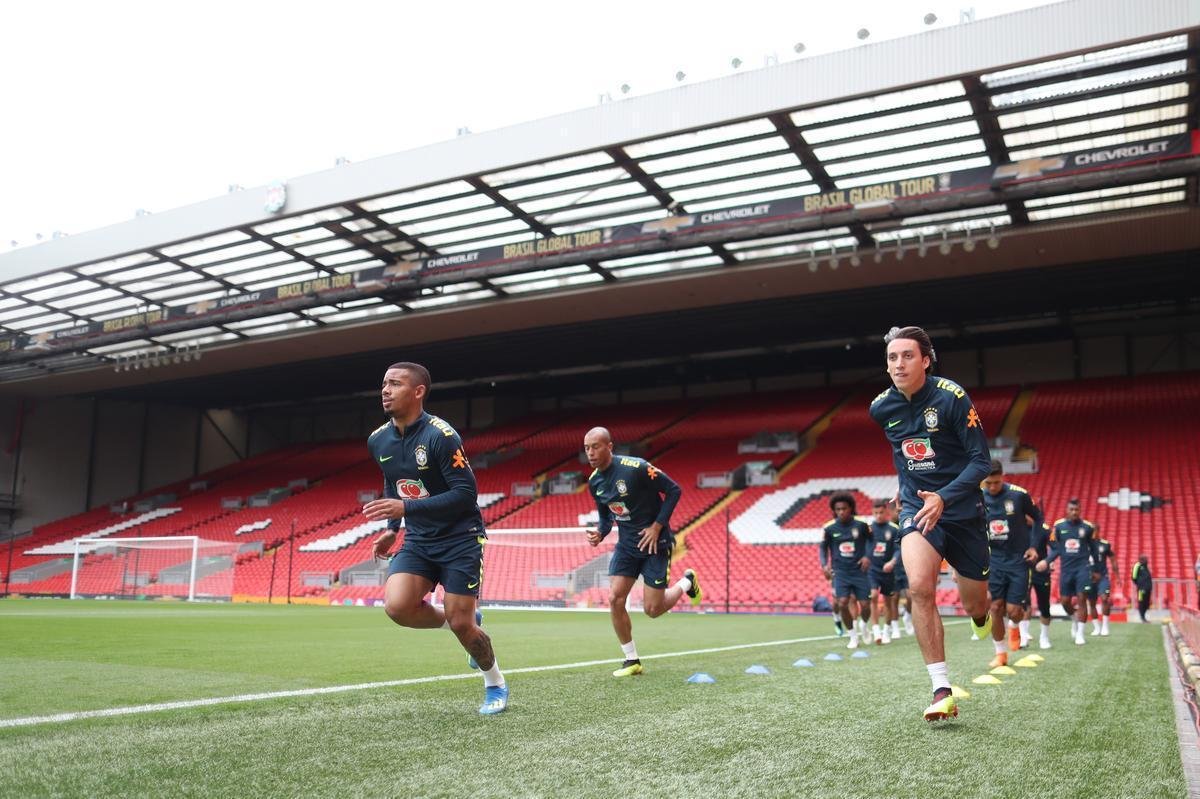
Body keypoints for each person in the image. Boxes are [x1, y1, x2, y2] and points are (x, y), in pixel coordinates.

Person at [366, 362, 507, 715]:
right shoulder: (378, 439)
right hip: (419, 540)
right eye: (384, 384)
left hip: (460, 538)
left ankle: (495, 684)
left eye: (395, 384)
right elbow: (393, 481)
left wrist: (405, 510)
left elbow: (465, 494)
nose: (385, 390)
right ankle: (465, 625)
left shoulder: (441, 436)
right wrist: (391, 530)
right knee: (397, 607)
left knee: (463, 623)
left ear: (418, 392)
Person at [870, 325, 992, 722]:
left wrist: (945, 496)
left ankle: (979, 616)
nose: (899, 363)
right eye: (892, 357)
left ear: (925, 360)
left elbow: (981, 462)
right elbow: (903, 454)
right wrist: (906, 488)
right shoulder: (881, 408)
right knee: (920, 587)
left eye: (907, 356)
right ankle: (942, 688)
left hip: (961, 509)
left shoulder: (952, 397)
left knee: (976, 603)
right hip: (917, 509)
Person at [584, 426, 700, 677]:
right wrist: (600, 533)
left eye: (595, 446)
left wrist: (657, 527)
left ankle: (686, 583)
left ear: (609, 447)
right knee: (615, 598)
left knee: (653, 610)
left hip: (654, 545)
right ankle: (631, 660)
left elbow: (674, 490)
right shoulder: (595, 482)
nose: (590, 453)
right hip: (627, 546)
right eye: (586, 448)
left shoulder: (635, 467)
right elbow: (606, 518)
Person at [981, 460, 1044, 668]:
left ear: (1003, 476)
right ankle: (1000, 653)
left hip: (1018, 559)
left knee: (1014, 610)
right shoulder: (977, 497)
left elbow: (1038, 517)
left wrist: (1034, 547)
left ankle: (1015, 626)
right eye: (989, 482)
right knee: (995, 606)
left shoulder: (1018, 495)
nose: (992, 487)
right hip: (995, 559)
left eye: (996, 482)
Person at [1036, 499, 1097, 646]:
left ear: (1080, 510)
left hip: (1083, 568)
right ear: (1066, 510)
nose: (1074, 512)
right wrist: (1048, 561)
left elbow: (1094, 549)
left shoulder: (1088, 527)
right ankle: (1074, 618)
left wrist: (1095, 569)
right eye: (1071, 509)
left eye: (1077, 510)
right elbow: (1054, 547)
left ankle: (1080, 635)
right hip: (1066, 569)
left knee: (1082, 598)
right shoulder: (1058, 526)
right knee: (1065, 601)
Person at [820, 493, 873, 649]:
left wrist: (867, 556)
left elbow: (872, 540)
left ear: (851, 508)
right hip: (840, 571)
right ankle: (853, 636)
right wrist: (824, 565)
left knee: (865, 604)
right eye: (838, 509)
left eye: (844, 508)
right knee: (842, 603)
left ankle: (864, 625)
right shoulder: (829, 528)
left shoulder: (862, 524)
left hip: (859, 571)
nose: (841, 512)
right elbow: (822, 548)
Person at [868, 498, 902, 643]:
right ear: (872, 512)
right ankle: (876, 631)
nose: (878, 515)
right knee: (873, 595)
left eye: (881, 512)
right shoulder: (868, 529)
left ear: (886, 512)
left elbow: (898, 549)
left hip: (888, 571)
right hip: (872, 570)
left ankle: (887, 630)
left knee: (889, 601)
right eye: (876, 513)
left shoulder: (893, 529)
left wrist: (892, 561)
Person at [1024, 513, 1054, 650]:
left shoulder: (1044, 529)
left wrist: (1047, 561)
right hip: (1022, 571)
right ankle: (1023, 636)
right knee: (1022, 603)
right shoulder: (1017, 527)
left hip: (1041, 571)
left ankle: (1044, 637)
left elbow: (1057, 547)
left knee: (1044, 605)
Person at [1088, 532, 1117, 636]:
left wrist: (1117, 575)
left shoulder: (1105, 544)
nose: (1093, 533)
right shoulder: (1084, 544)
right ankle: (1096, 627)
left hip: (1103, 577)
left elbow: (1112, 556)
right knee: (1092, 603)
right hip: (1088, 578)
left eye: (1095, 530)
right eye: (1092, 530)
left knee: (1105, 598)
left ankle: (1105, 626)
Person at [1132, 555, 1153, 622]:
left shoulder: (1146, 566)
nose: (1147, 560)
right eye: (1146, 559)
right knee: (1141, 602)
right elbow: (1134, 577)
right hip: (1141, 589)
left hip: (1148, 588)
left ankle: (1144, 617)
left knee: (1147, 603)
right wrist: (1139, 584)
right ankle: (1142, 617)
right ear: (1141, 559)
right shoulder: (1137, 565)